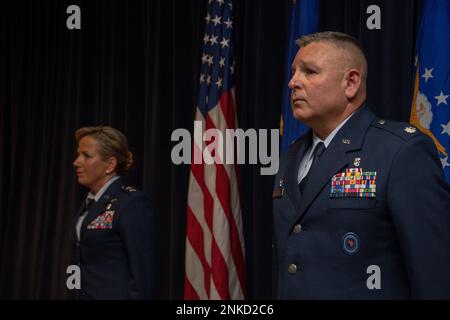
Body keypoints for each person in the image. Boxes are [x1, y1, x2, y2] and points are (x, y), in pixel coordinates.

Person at [272, 31, 450, 299]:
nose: (293, 82)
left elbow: (435, 275)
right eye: (294, 72)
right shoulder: (290, 156)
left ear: (351, 83)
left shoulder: (400, 151)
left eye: (309, 72)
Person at [72, 126, 155, 299]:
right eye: (78, 155)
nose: (77, 162)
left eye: (86, 156)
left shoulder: (131, 202)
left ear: (110, 164)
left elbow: (141, 272)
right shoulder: (90, 202)